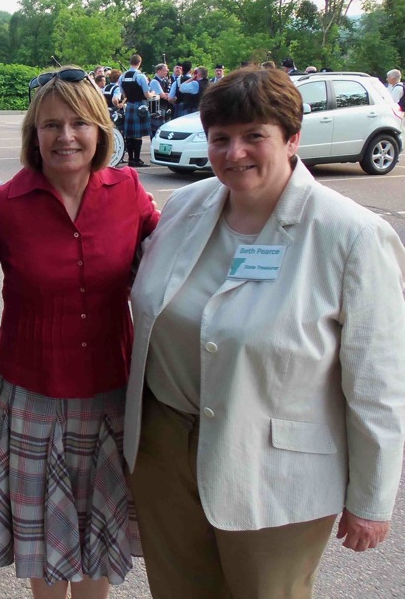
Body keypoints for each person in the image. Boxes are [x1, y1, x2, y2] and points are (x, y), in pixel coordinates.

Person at [124, 67, 405, 598]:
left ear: (292, 138)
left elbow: (378, 380)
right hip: (166, 452)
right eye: (220, 138)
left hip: (275, 468)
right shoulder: (185, 206)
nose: (235, 153)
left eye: (254, 135)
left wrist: (371, 499)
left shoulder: (351, 236)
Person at [0, 66, 158, 599]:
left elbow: (177, 258)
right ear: (34, 134)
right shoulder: (3, 204)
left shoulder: (127, 191)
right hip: (32, 395)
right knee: (45, 541)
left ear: (101, 129)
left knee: (101, 533)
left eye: (79, 123)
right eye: (51, 125)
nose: (66, 136)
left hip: (109, 393)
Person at [119, 54, 152, 167]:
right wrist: (153, 94)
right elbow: (147, 94)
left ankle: (131, 159)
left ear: (130, 62)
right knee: (137, 135)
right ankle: (137, 159)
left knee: (129, 135)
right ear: (139, 63)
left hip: (129, 105)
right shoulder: (141, 76)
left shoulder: (122, 76)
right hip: (140, 106)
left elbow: (124, 94)